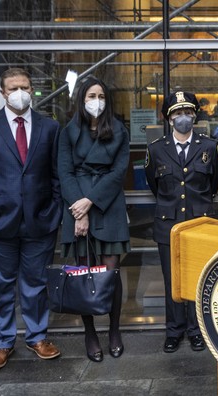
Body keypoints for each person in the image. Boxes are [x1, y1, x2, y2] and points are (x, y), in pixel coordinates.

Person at [0, 68, 62, 370]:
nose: (19, 92)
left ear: (32, 90)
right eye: (12, 88)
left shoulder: (50, 128)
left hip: (39, 222)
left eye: (24, 86)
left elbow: (55, 174)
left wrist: (55, 211)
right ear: (2, 92)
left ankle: (37, 337)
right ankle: (1, 342)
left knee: (35, 284)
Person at [57, 77, 131, 363]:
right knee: (83, 272)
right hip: (75, 207)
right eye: (91, 95)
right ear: (82, 98)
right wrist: (80, 210)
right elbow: (64, 172)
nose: (96, 100)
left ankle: (114, 330)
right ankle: (90, 333)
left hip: (107, 204)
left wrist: (90, 202)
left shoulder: (119, 131)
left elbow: (117, 172)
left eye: (101, 95)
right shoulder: (67, 132)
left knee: (111, 272)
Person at [145, 91, 218, 353]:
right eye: (177, 113)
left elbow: (213, 184)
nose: (183, 118)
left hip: (199, 225)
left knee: (199, 280)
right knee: (173, 281)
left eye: (187, 113)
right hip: (168, 225)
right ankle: (174, 331)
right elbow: (155, 185)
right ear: (168, 119)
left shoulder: (210, 147)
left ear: (195, 115)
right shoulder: (156, 149)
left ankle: (196, 330)